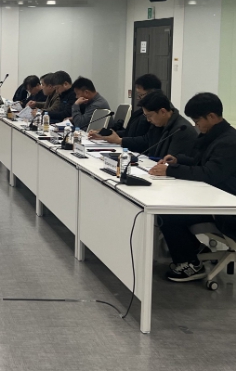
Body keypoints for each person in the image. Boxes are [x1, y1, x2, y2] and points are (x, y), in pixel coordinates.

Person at [148, 93, 236, 282]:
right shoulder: (214, 136)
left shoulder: (229, 142)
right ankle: (194, 250)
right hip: (214, 200)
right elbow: (201, 162)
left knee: (168, 215)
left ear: (211, 116)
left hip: (227, 209)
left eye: (197, 121)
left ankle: (191, 263)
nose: (196, 126)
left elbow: (209, 173)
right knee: (167, 209)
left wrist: (170, 170)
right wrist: (177, 160)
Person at [89, 91, 196, 158]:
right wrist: (119, 140)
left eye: (149, 116)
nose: (148, 120)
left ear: (163, 112)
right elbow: (146, 140)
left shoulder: (181, 130)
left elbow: (171, 162)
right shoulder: (159, 123)